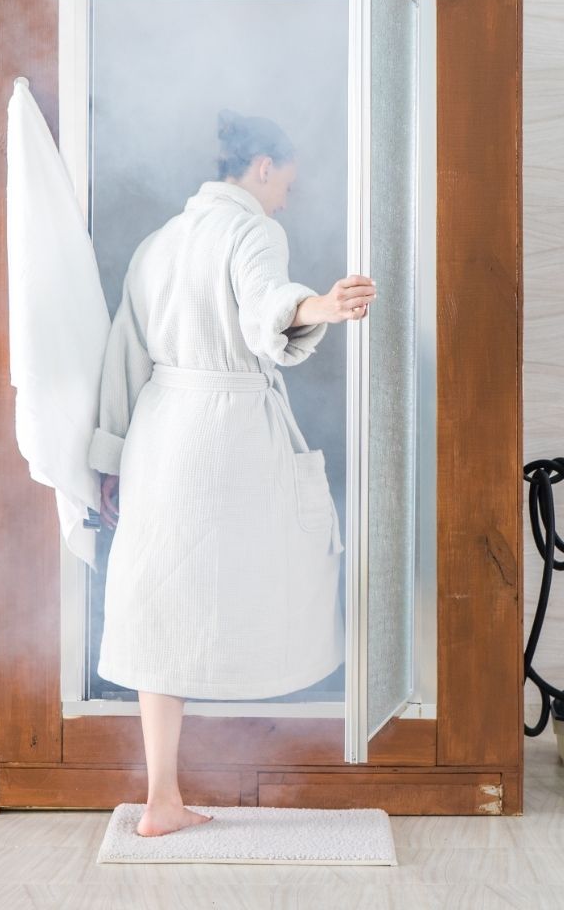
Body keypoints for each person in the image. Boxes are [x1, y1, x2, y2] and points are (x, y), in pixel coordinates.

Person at [88, 109, 375, 838]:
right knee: (271, 568)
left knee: (162, 605)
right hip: (221, 437)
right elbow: (264, 312)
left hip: (157, 432)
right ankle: (281, 748)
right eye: (287, 183)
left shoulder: (161, 241)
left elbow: (125, 352)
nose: (286, 199)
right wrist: (324, 306)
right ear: (263, 168)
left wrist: (111, 459)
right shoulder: (252, 228)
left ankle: (161, 798)